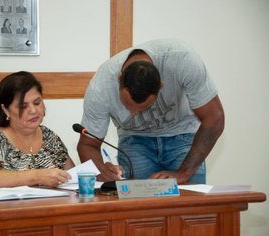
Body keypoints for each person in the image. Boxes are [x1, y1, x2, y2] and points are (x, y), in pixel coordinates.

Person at [76, 39, 225, 185]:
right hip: (134, 142)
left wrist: (184, 172)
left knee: (191, 207)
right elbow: (87, 145)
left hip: (183, 137)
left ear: (160, 86)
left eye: (142, 108)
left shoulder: (182, 60)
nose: (134, 114)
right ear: (119, 79)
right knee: (137, 207)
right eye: (128, 106)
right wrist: (100, 171)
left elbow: (214, 118)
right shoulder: (101, 85)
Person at [0, 71, 74, 189]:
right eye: (23, 106)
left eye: (37, 103)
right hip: (6, 207)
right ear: (5, 110)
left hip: (50, 206)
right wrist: (38, 176)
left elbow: (72, 179)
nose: (33, 110)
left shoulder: (50, 137)